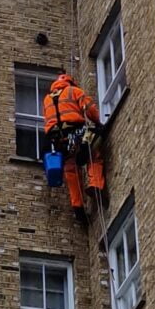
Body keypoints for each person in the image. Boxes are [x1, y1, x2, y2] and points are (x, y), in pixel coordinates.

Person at [43, 72, 106, 223]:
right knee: (94, 155)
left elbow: (49, 120)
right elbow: (89, 109)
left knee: (71, 170)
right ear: (70, 82)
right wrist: (99, 123)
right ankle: (95, 184)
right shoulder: (74, 91)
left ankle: (77, 205)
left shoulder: (47, 99)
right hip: (76, 131)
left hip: (58, 140)